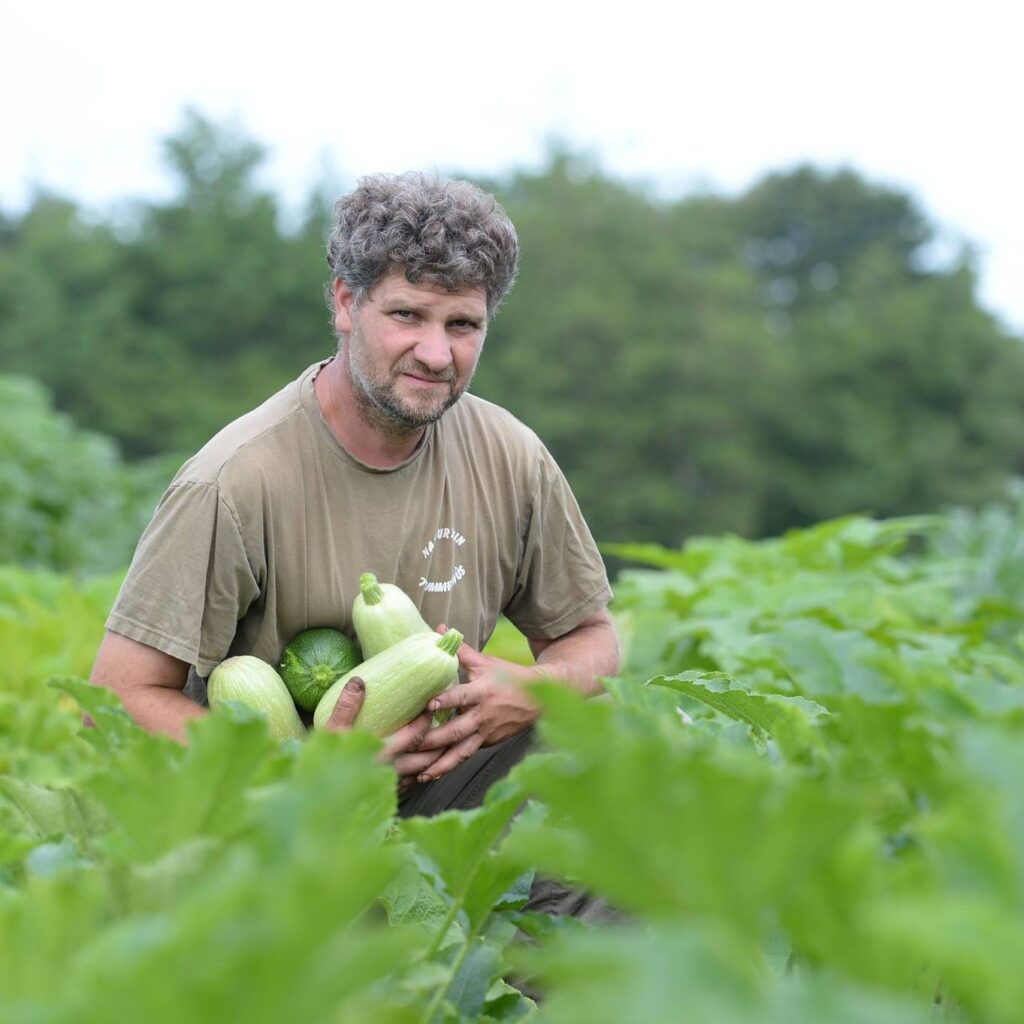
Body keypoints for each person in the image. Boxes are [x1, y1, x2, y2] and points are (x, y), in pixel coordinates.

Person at [90, 171, 620, 813]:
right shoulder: (233, 480)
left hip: (442, 785)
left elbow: (592, 636)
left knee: (605, 746)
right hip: (272, 816)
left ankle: (545, 918)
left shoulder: (512, 456)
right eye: (407, 315)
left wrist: (542, 685)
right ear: (345, 303)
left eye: (462, 324)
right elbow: (115, 702)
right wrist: (296, 774)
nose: (435, 352)